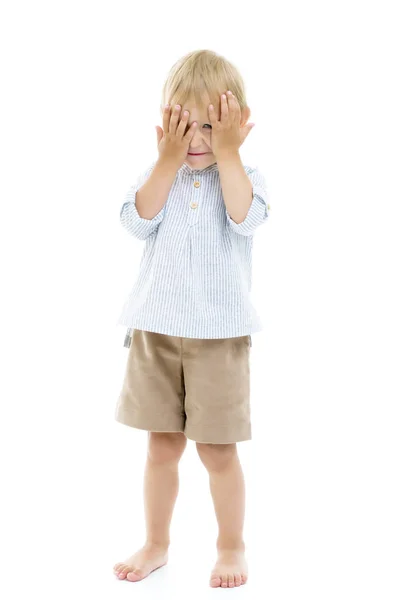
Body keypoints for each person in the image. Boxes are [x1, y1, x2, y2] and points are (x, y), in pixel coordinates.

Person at [113, 49, 270, 589]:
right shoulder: (162, 174)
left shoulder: (246, 176)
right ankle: (156, 541)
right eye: (187, 124)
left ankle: (231, 545)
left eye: (212, 126)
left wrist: (229, 155)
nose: (198, 139)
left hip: (219, 340)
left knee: (217, 451)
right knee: (161, 446)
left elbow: (246, 219)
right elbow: (136, 220)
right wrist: (166, 159)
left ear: (236, 125)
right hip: (157, 333)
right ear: (166, 122)